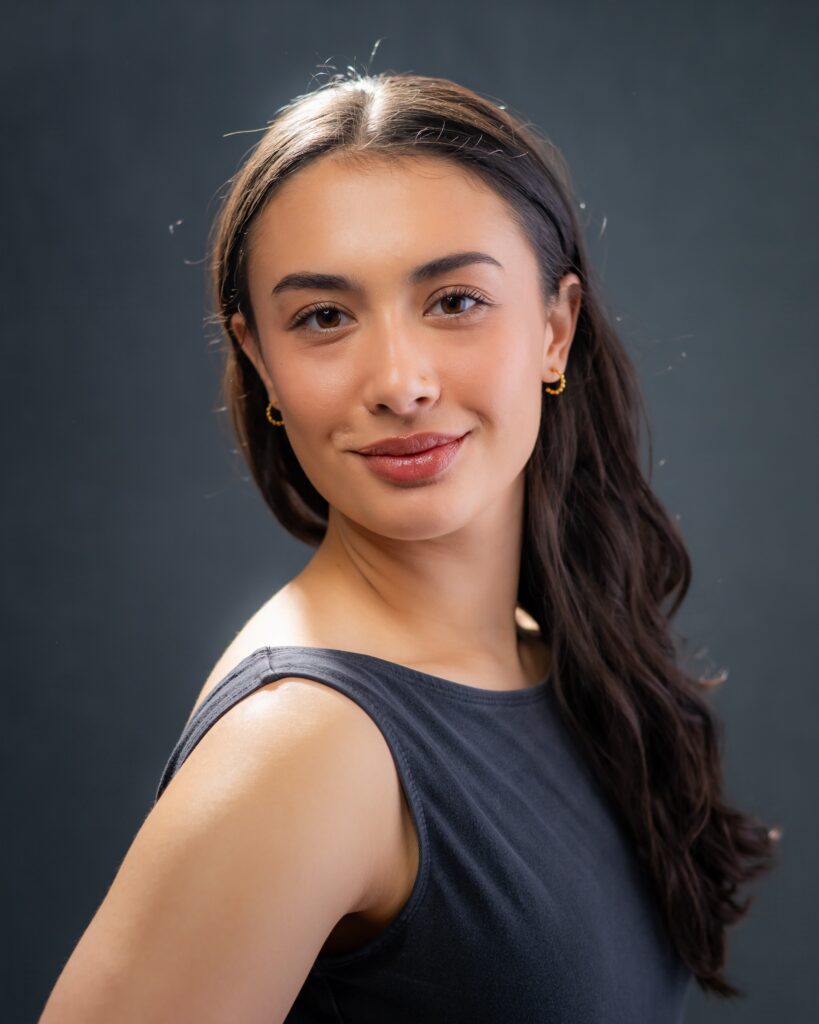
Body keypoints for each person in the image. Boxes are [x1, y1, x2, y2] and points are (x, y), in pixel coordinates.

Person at [39, 71, 779, 1023]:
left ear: (555, 329)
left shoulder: (544, 645)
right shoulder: (304, 746)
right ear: (260, 358)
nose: (399, 382)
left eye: (454, 300)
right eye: (323, 318)